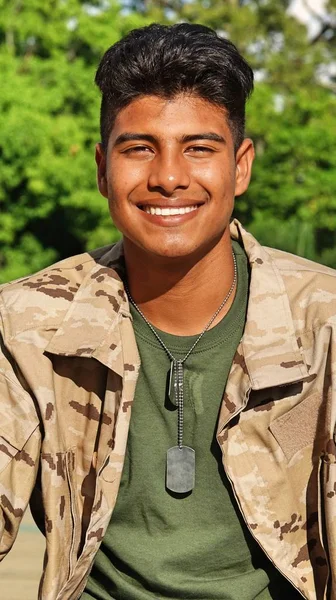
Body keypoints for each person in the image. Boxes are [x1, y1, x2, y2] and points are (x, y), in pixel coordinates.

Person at [0, 22, 335, 600]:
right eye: (139, 149)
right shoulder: (30, 323)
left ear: (241, 166)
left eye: (199, 148)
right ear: (103, 169)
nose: (169, 178)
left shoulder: (324, 322)